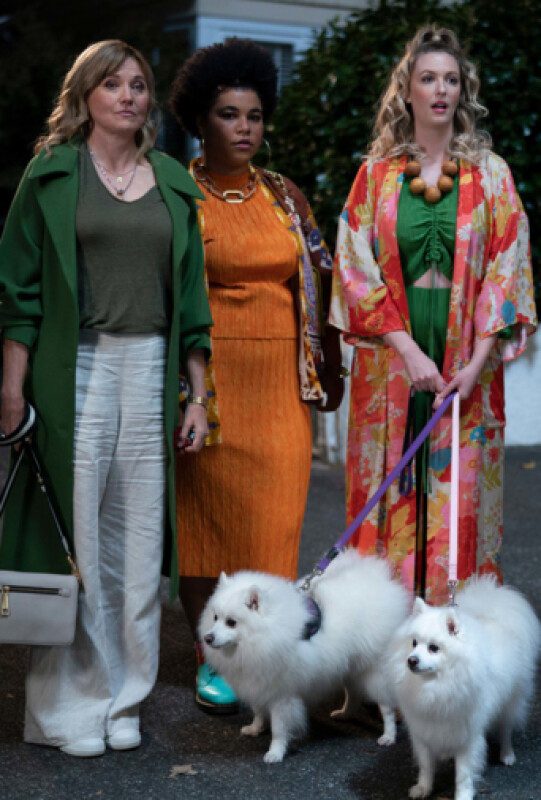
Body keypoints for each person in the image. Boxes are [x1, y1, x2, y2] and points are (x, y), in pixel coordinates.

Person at [0, 40, 212, 756]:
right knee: (76, 543)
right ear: (85, 95)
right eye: (113, 84)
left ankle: (125, 700)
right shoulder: (52, 174)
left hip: (150, 371)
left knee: (137, 546)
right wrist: (11, 387)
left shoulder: (172, 181)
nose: (128, 96)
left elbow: (192, 300)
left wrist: (197, 396)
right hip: (75, 368)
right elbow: (18, 291)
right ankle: (66, 710)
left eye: (139, 85)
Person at [330, 26, 537, 605]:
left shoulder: (491, 174)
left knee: (459, 492)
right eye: (428, 78)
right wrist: (408, 350)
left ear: (463, 91)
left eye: (451, 79)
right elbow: (353, 267)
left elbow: (507, 267)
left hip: (466, 356)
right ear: (408, 91)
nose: (441, 90)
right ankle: (381, 635)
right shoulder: (375, 175)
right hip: (393, 352)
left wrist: (476, 364)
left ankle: (451, 635)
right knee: (388, 482)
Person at [169, 38, 344, 713]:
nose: (244, 128)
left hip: (278, 382)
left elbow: (322, 273)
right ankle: (210, 649)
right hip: (207, 380)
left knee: (274, 522)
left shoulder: (282, 195)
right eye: (228, 115)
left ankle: (263, 650)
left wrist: (331, 360)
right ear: (199, 120)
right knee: (205, 524)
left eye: (254, 115)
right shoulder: (176, 192)